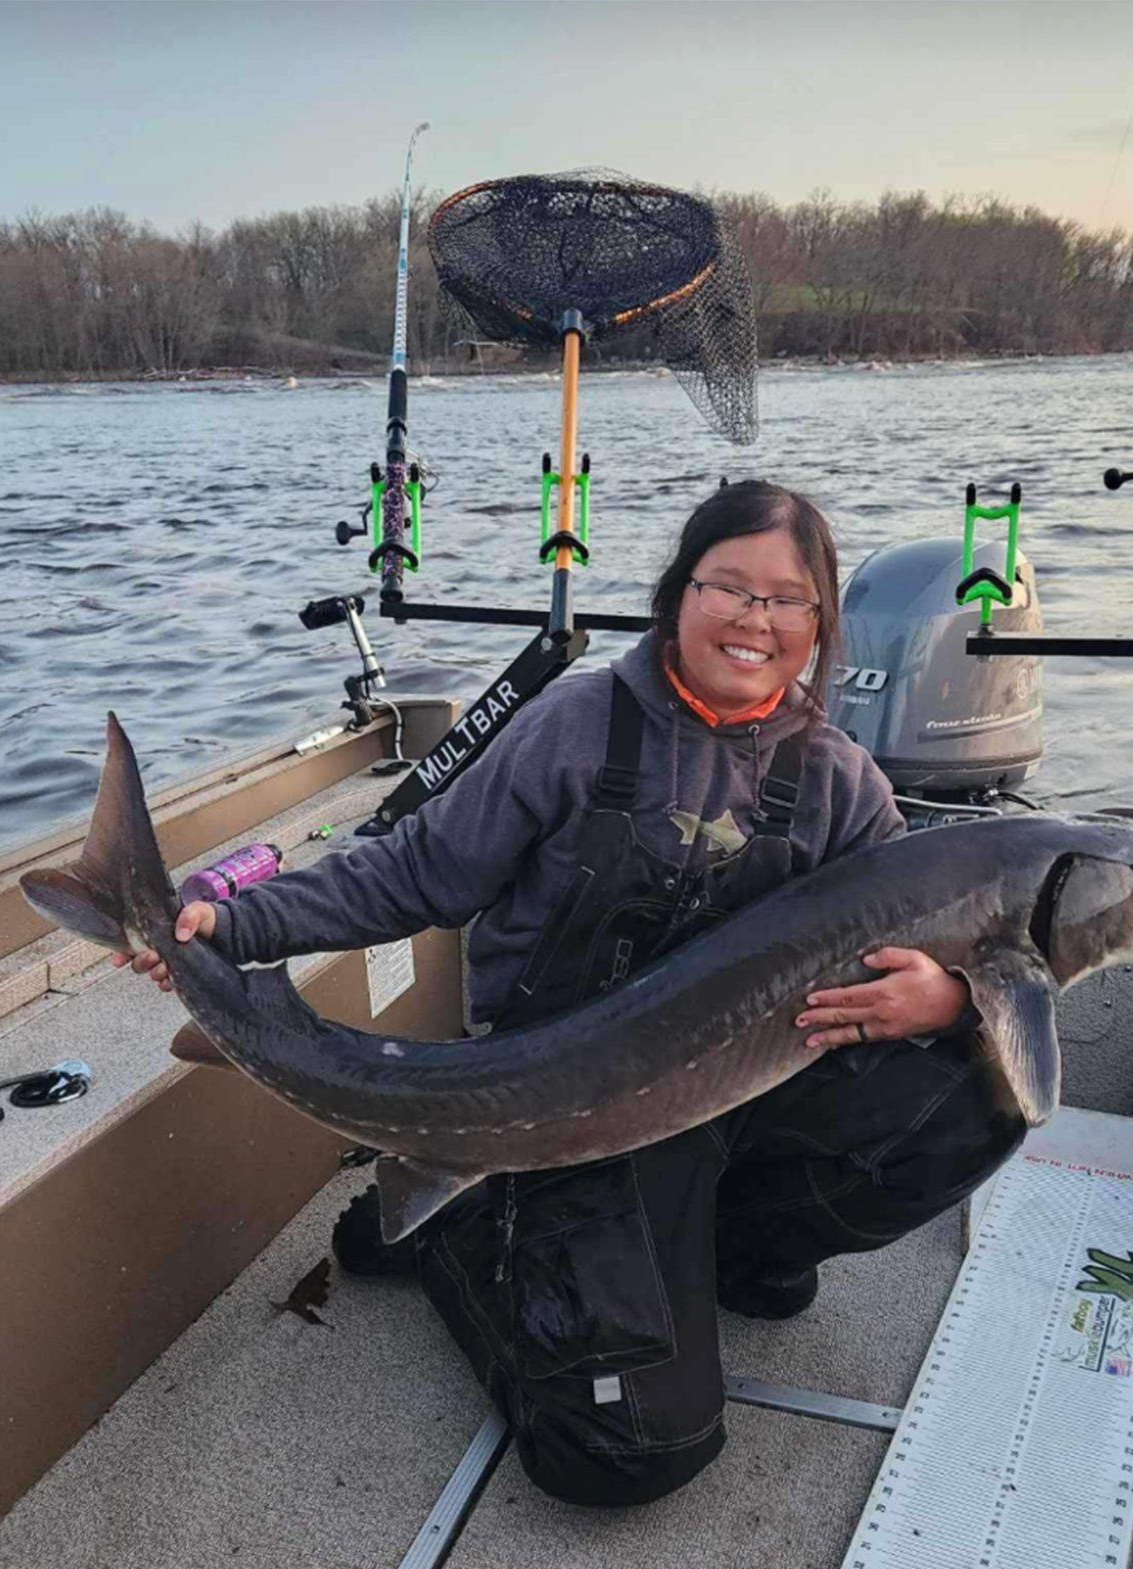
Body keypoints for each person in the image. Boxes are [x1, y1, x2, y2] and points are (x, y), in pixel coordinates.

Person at [114, 480, 1025, 1508]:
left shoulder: (841, 783)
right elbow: (413, 874)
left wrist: (948, 998)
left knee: (982, 1086)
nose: (754, 620)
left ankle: (730, 1249)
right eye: (728, 586)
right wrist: (232, 924)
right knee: (630, 1451)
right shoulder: (579, 722)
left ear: (820, 623)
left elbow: (911, 940)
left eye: (786, 600)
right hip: (545, 1097)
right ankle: (463, 1219)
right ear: (677, 593)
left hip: (734, 1089)